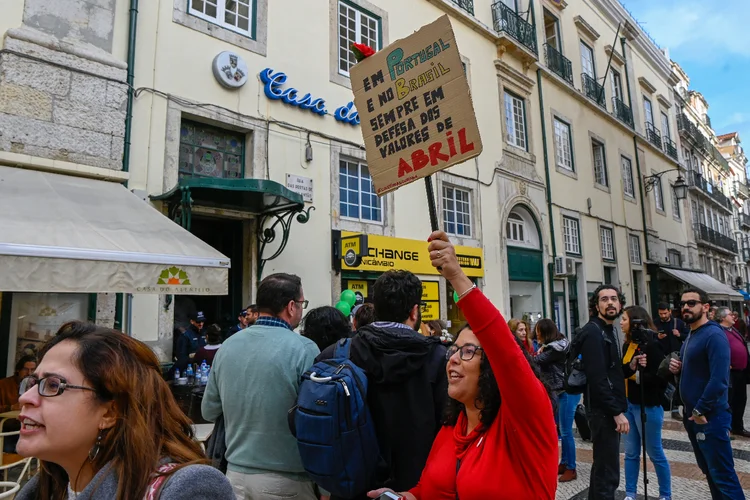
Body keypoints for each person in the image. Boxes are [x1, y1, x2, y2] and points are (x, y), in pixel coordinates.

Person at [367, 231, 558, 499]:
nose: (453, 358)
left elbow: (504, 350)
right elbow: (430, 490)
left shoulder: (525, 420)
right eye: (453, 349)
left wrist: (456, 276)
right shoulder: (453, 426)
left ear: (493, 367)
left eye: (468, 351)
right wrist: (403, 496)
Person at [15, 321, 233, 499]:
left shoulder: (184, 490)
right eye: (32, 383)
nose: (25, 397)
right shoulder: (47, 490)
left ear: (110, 413)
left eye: (53, 385)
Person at [317, 270, 447, 499]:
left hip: (351, 484)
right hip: (416, 487)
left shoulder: (338, 353)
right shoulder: (438, 359)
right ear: (415, 311)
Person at [202, 273, 320, 499]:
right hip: (287, 478)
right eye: (302, 304)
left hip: (234, 475)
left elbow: (209, 411)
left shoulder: (227, 346)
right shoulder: (304, 349)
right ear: (291, 306)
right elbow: (317, 421)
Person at [669, 288, 744, 499]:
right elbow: (696, 371)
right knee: (710, 472)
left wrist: (701, 408)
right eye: (683, 303)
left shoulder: (713, 334)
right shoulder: (692, 334)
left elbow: (719, 379)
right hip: (694, 416)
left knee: (723, 476)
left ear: (706, 307)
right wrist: (678, 369)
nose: (685, 307)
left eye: (692, 303)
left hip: (710, 416)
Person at [579, 284, 629, 500]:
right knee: (607, 473)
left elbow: (611, 371)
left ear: (620, 303)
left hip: (606, 408)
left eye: (614, 299)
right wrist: (616, 411)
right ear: (596, 305)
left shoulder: (608, 329)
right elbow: (597, 378)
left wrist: (631, 366)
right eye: (604, 299)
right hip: (602, 411)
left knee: (604, 468)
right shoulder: (593, 331)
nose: (610, 302)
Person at [620, 306, 672, 500]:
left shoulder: (651, 345)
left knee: (654, 452)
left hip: (648, 405)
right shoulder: (627, 345)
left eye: (624, 319)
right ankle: (630, 493)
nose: (621, 322)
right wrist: (629, 370)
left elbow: (661, 377)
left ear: (635, 322)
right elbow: (623, 371)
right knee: (631, 453)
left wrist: (638, 377)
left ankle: (665, 495)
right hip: (629, 404)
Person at [533, 319, 577, 482]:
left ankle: (571, 468)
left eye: (539, 333)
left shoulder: (555, 349)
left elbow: (536, 361)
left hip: (566, 391)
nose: (537, 336)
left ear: (546, 333)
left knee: (566, 432)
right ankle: (565, 462)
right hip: (559, 391)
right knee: (563, 430)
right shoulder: (557, 345)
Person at [716, 306, 750, 437]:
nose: (733, 316)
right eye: (730, 314)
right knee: (729, 401)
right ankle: (727, 428)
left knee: (741, 399)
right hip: (730, 373)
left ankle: (738, 426)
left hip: (741, 371)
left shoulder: (733, 329)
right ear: (723, 318)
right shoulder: (719, 331)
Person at [654, 303, 688, 420]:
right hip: (661, 357)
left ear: (669, 311)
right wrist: (657, 338)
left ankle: (675, 408)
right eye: (661, 314)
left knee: (676, 383)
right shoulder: (655, 323)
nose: (663, 316)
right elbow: (651, 338)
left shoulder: (678, 323)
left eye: (665, 313)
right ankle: (666, 406)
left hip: (675, 356)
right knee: (664, 382)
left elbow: (688, 336)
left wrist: (679, 335)